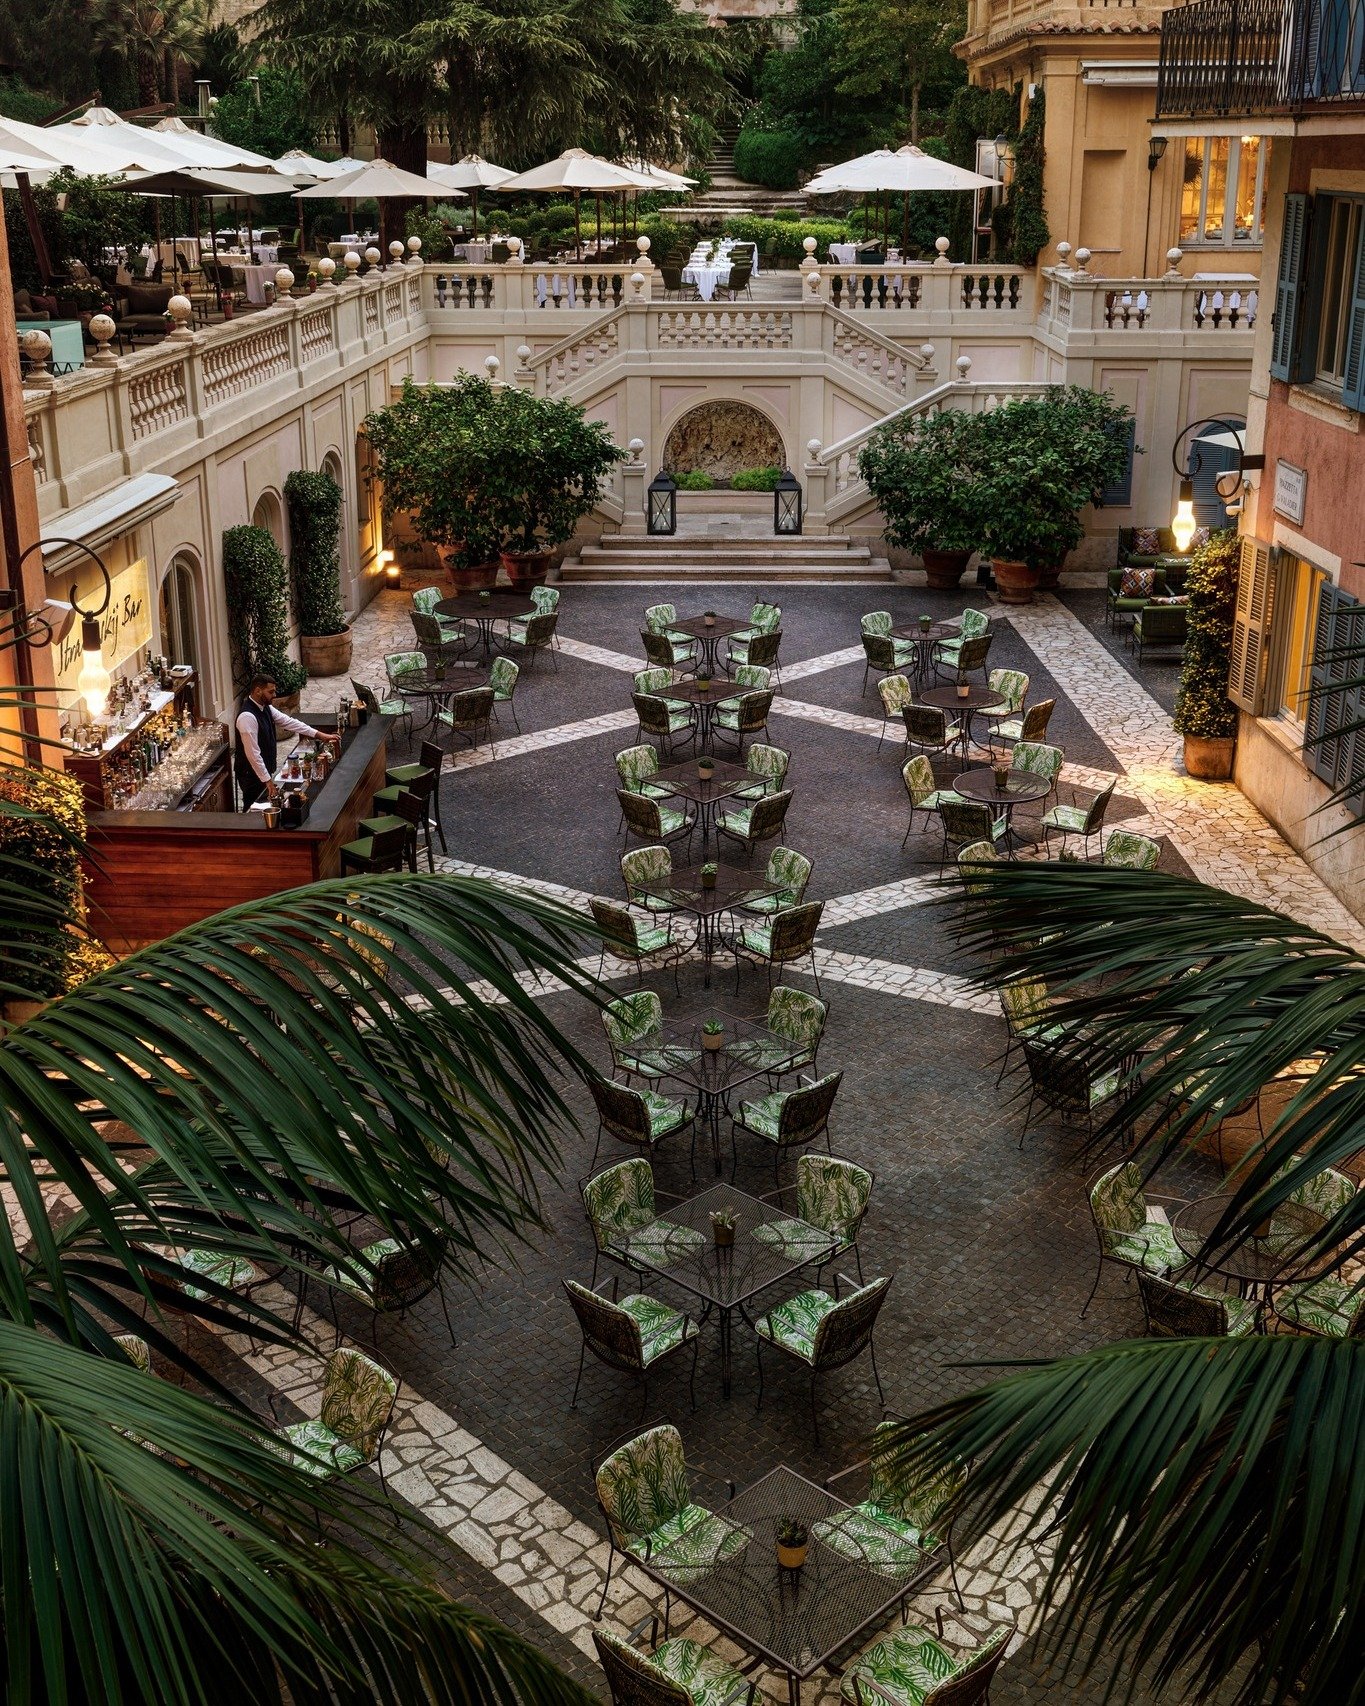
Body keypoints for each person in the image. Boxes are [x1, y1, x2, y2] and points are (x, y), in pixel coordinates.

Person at [234, 673, 340, 811]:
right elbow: (253, 754)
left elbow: (289, 722)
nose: (274, 695)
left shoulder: (266, 707)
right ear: (258, 691)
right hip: (250, 775)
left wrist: (320, 735)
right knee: (253, 807)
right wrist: (267, 781)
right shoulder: (247, 717)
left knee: (265, 804)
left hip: (261, 771)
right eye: (270, 692)